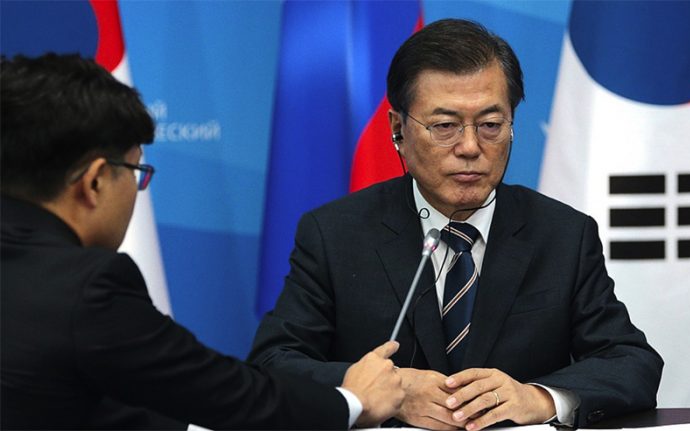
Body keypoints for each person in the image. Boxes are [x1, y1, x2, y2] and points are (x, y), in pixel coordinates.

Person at [248, 18, 663, 431]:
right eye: (445, 126)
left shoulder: (563, 234)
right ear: (398, 130)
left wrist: (537, 397)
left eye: (490, 125)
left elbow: (631, 363)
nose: (469, 147)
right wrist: (385, 392)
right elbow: (272, 363)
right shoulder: (335, 234)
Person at [0, 53, 404, 430]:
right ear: (96, 181)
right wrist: (352, 402)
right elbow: (227, 394)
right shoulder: (88, 287)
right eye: (137, 172)